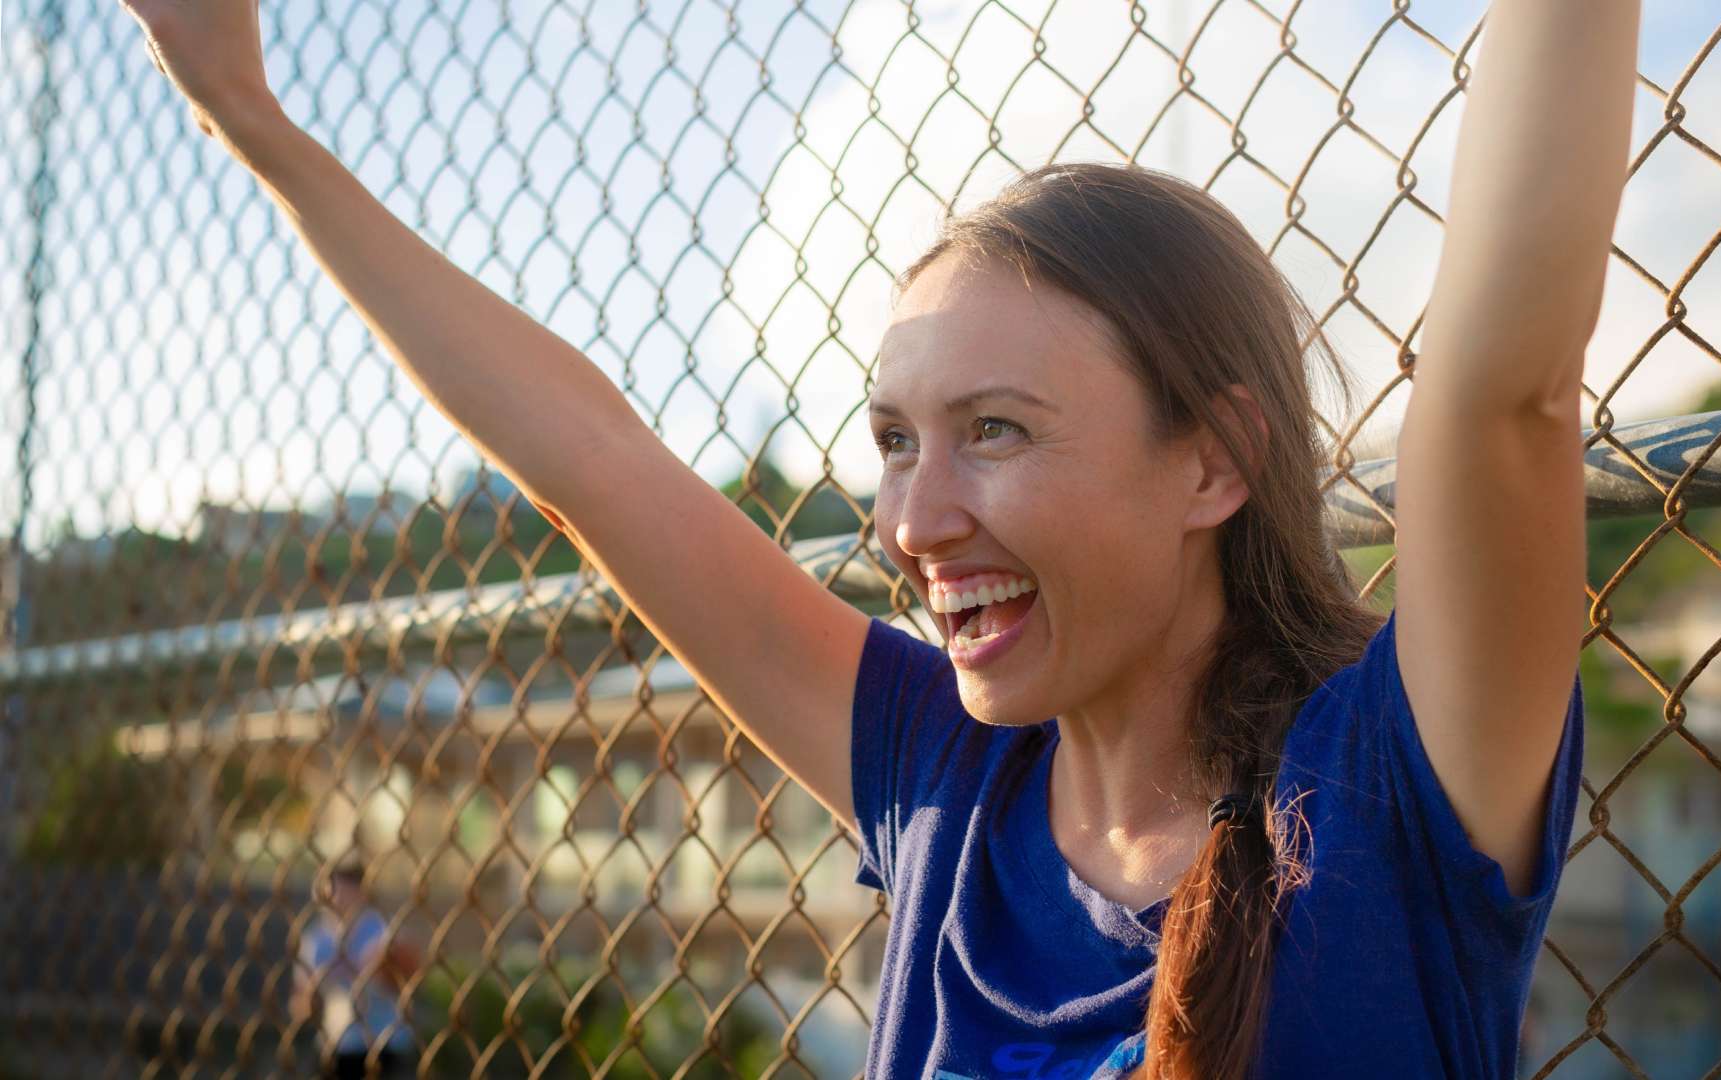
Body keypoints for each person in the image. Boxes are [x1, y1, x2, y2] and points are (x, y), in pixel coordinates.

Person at [120, 0, 1638, 1074]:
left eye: (997, 431)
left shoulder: (1387, 787)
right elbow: (588, 457)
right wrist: (250, 117)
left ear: (1219, 459)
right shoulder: (941, 780)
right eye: (895, 441)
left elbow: (1505, 398)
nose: (912, 522)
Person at [292, 859, 421, 1079]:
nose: (333, 897)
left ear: (362, 893)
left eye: (341, 889)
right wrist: (312, 995)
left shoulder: (384, 930)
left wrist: (381, 966)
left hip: (384, 1042)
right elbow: (300, 1003)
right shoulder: (316, 939)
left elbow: (411, 980)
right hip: (338, 1043)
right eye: (327, 888)